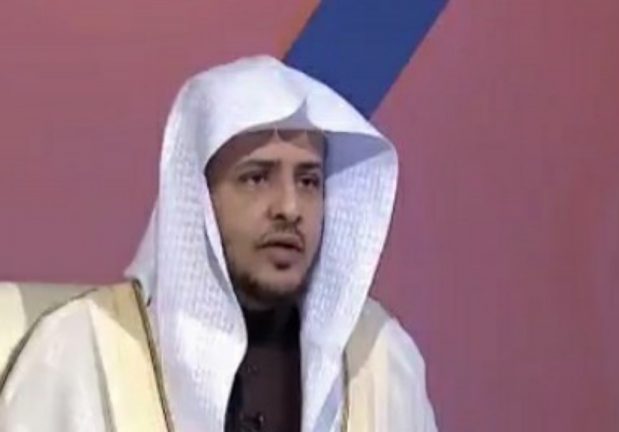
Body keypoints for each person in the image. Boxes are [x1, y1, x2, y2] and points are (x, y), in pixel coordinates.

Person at [0, 55, 437, 431]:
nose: (290, 208)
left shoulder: (379, 360)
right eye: (256, 178)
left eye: (308, 182)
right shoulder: (84, 348)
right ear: (198, 202)